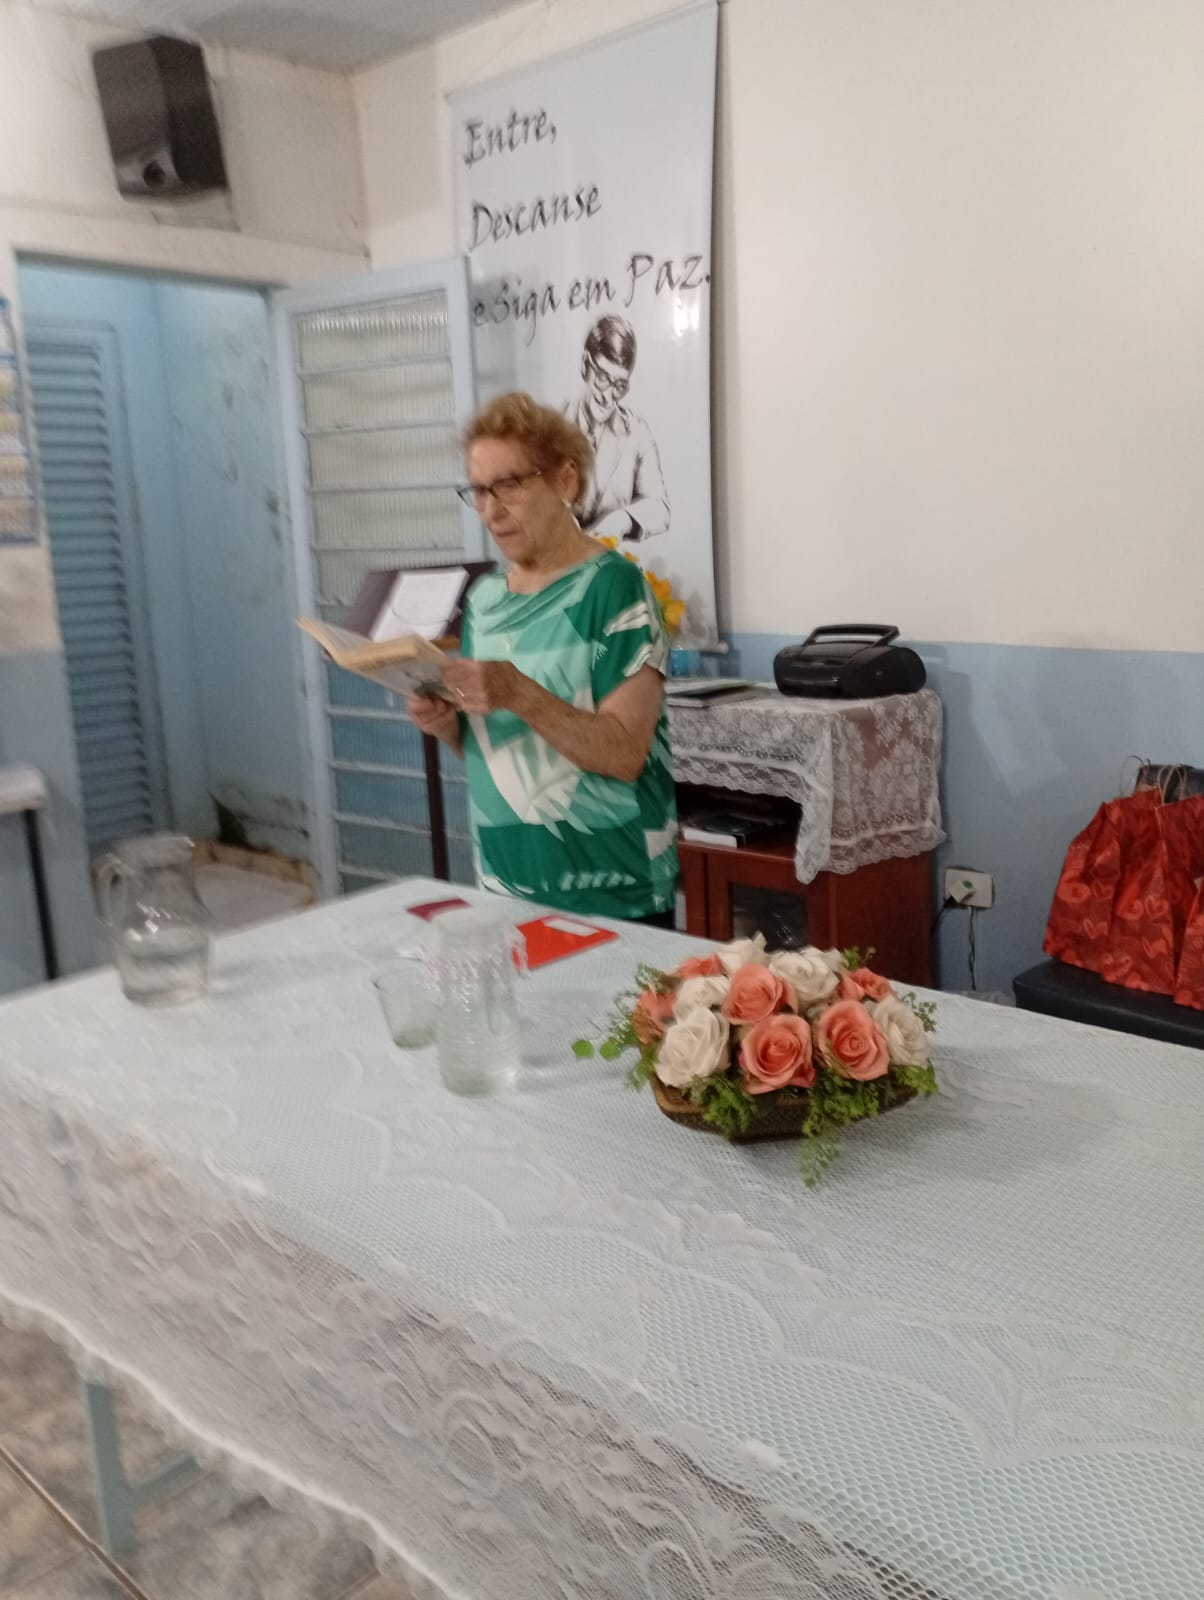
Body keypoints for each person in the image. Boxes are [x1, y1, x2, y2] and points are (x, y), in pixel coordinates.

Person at [406, 392, 678, 925]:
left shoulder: (614, 589)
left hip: (609, 890)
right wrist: (448, 728)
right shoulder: (484, 601)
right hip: (505, 882)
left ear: (565, 481)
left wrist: (518, 691)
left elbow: (624, 754)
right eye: (479, 491)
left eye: (508, 484)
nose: (491, 510)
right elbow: (496, 747)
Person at [565, 315, 670, 542]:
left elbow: (660, 507)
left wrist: (623, 519)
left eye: (620, 385)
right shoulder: (549, 428)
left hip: (611, 559)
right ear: (585, 365)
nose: (608, 395)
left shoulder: (636, 433)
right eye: (602, 378)